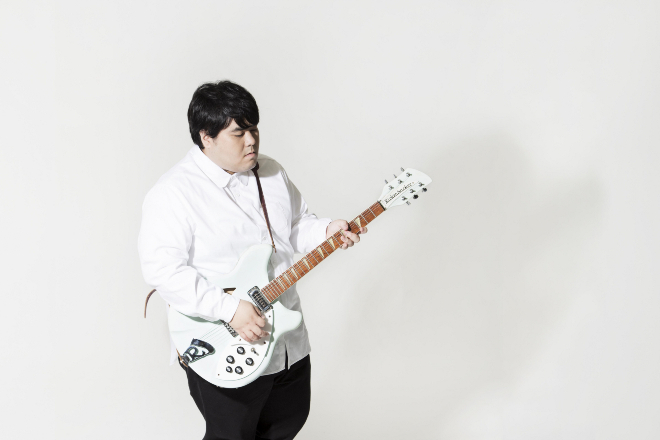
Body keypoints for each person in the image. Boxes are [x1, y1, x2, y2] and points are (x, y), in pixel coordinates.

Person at [138, 80, 366, 440]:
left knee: (286, 425)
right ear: (206, 137)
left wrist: (326, 231)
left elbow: (294, 226)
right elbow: (163, 270)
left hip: (286, 340)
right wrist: (230, 310)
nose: (252, 141)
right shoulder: (174, 192)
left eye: (254, 129)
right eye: (238, 133)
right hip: (225, 343)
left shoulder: (272, 171)